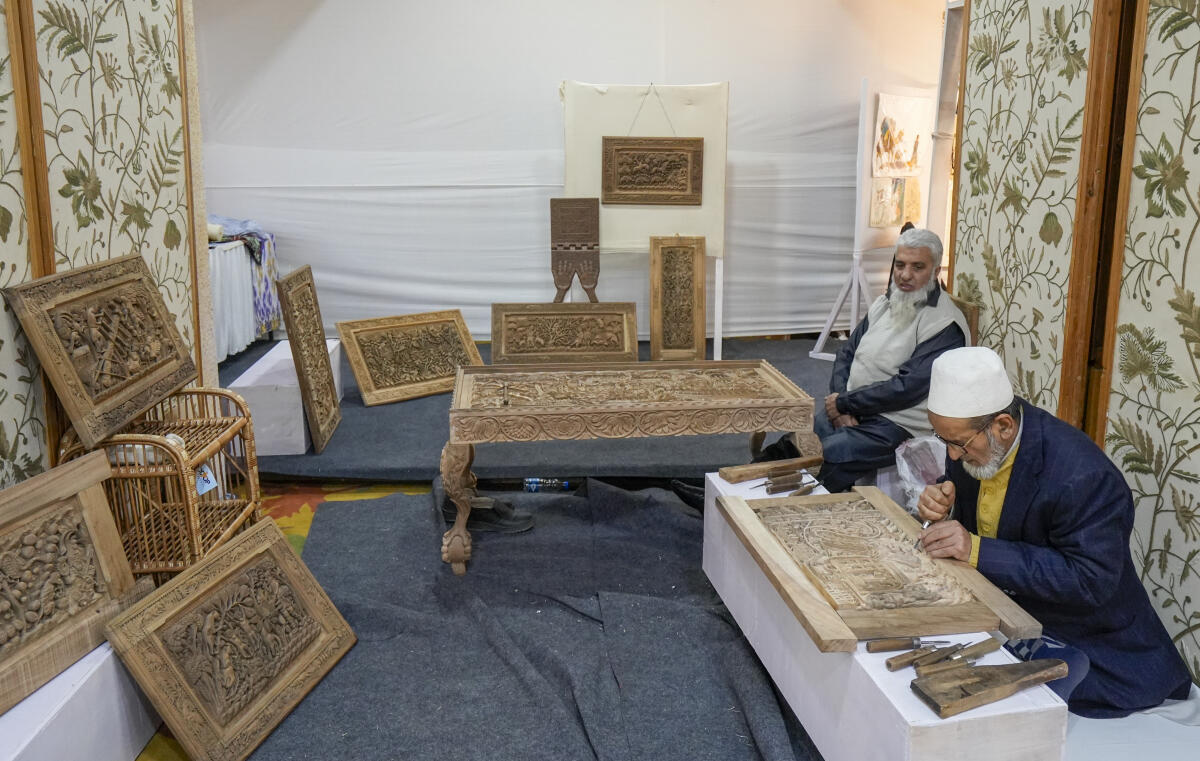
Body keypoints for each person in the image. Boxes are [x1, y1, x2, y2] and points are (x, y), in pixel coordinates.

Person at [916, 346, 1193, 717]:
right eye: (942, 439)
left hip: (1088, 640)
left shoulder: (1083, 477)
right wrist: (945, 505)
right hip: (1002, 610)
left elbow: (1091, 580)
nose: (951, 456)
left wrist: (975, 549)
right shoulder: (981, 444)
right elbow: (975, 502)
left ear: (1003, 425)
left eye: (958, 444)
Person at [756, 227, 970, 492]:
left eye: (917, 267)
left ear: (936, 271)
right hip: (858, 406)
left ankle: (763, 505)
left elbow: (906, 388)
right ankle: (737, 486)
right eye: (900, 265)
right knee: (798, 439)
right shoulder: (886, 302)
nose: (905, 275)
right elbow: (847, 352)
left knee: (828, 453)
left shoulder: (944, 325)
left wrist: (845, 403)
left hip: (898, 423)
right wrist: (840, 403)